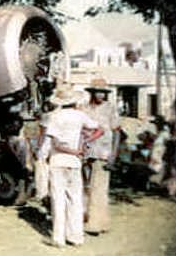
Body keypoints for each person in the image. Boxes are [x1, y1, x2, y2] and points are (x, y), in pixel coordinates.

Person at [41, 84, 101, 247]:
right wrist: (85, 143)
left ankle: (58, 237)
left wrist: (44, 157)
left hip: (58, 159)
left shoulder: (55, 117)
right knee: (75, 199)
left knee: (58, 199)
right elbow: (98, 128)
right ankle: (76, 236)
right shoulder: (80, 116)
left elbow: (51, 141)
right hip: (74, 161)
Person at [81, 78, 120, 235]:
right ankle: (85, 217)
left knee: (100, 187)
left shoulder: (110, 109)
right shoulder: (84, 108)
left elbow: (117, 132)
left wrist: (114, 155)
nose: (101, 95)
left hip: (103, 152)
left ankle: (97, 223)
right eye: (98, 92)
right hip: (85, 151)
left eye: (103, 93)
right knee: (85, 186)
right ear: (92, 92)